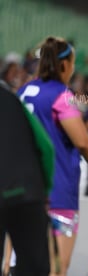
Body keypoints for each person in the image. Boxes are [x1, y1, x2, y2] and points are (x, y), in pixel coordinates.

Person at [16, 36, 88, 276]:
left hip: (23, 193)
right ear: (64, 65)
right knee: (56, 269)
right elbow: (83, 141)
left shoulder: (22, 92)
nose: (73, 69)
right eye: (73, 63)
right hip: (56, 193)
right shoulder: (62, 96)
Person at [0, 85, 54, 276]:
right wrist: (44, 190)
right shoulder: (12, 99)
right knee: (34, 268)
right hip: (28, 193)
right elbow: (46, 148)